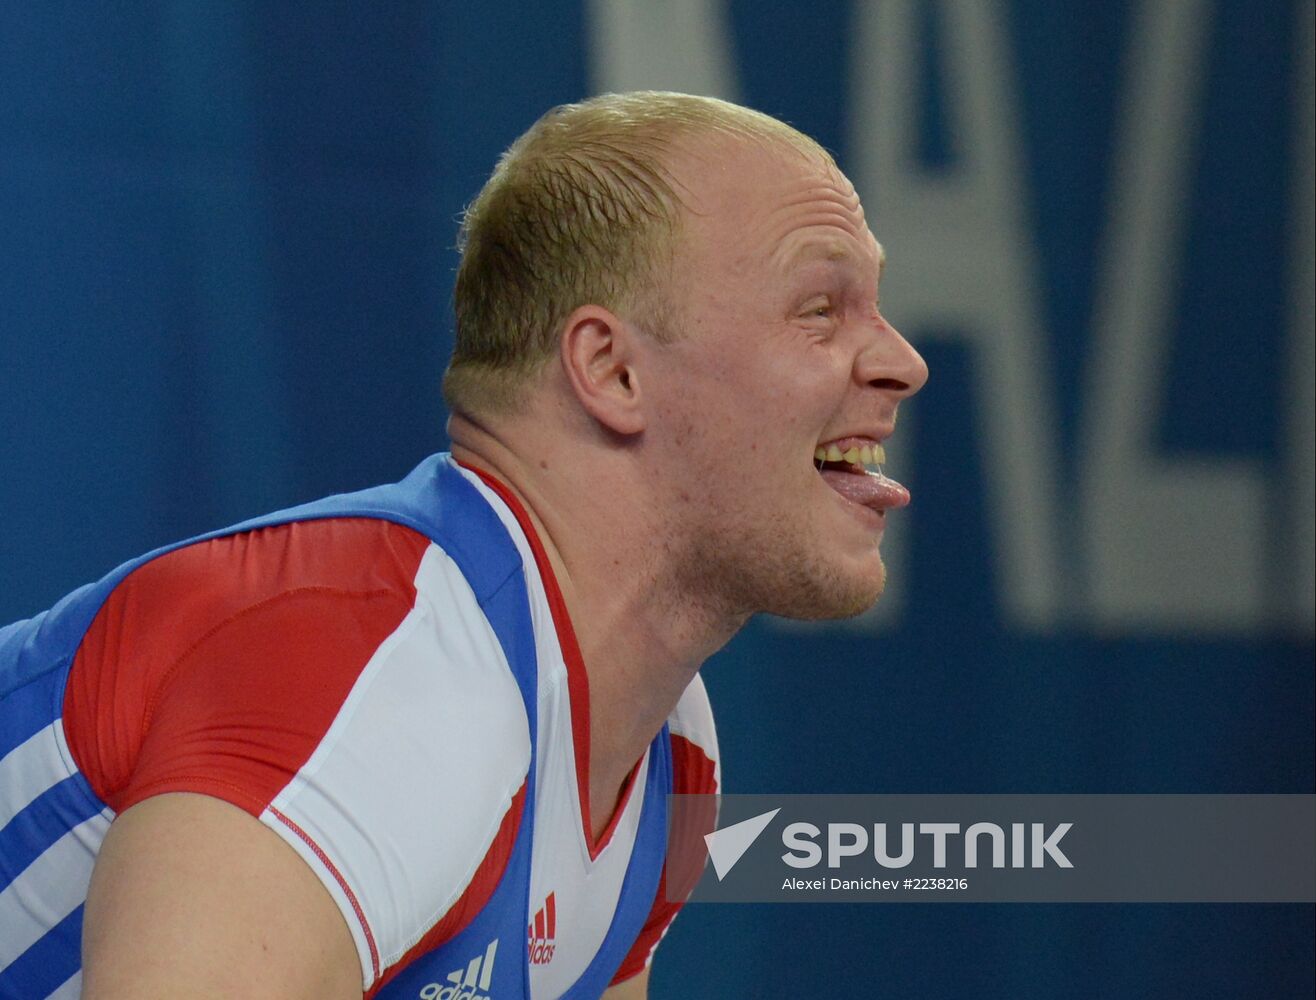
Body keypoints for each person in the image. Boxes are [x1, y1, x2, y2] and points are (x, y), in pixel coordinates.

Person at [0, 91, 927, 999]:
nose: (903, 360)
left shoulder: (667, 746)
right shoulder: (381, 672)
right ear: (611, 370)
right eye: (820, 309)